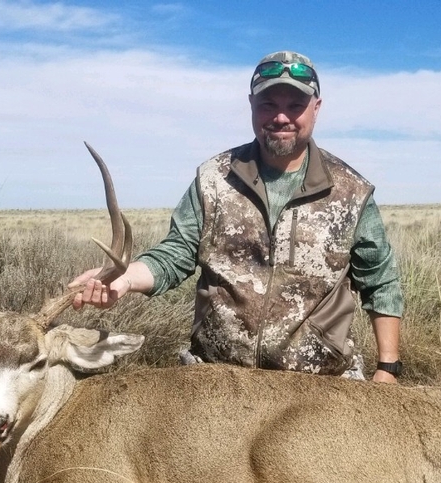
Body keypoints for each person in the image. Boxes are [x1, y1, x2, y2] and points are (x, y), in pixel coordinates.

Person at [70, 50, 404, 383]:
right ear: (251, 106)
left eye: (295, 106)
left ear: (316, 108)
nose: (281, 117)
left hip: (320, 384)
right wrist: (125, 278)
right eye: (268, 105)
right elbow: (176, 253)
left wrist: (388, 368)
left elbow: (380, 280)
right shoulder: (214, 178)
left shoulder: (351, 191)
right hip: (219, 378)